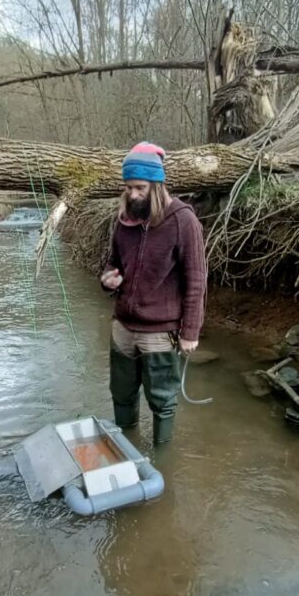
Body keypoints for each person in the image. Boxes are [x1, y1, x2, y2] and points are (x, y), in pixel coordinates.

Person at [100, 141, 206, 446]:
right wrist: (107, 279)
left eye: (140, 188)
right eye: (129, 187)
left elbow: (196, 280)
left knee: (162, 401)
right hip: (122, 327)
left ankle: (162, 463)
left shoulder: (183, 221)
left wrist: (190, 332)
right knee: (120, 393)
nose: (133, 194)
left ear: (157, 185)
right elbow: (113, 262)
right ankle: (124, 447)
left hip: (160, 332)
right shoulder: (123, 220)